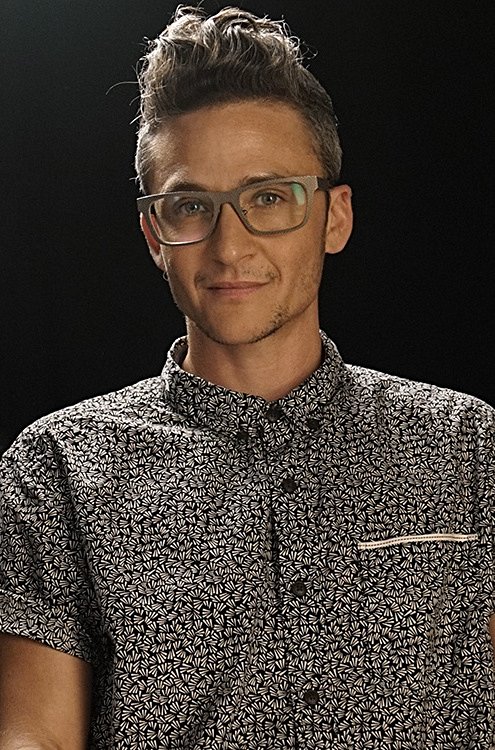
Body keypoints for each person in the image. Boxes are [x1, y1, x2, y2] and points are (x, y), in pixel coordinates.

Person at [0, 5, 494, 748]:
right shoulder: (59, 469)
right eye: (190, 205)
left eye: (268, 197)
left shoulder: (469, 449)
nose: (229, 247)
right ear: (154, 234)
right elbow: (35, 738)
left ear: (334, 217)